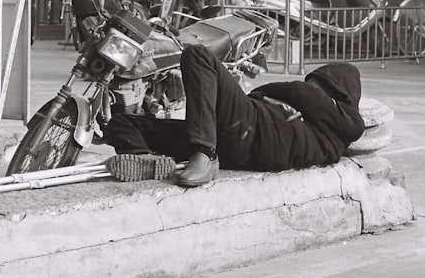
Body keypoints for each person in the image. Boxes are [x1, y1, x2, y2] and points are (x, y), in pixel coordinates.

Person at [104, 45, 366, 187]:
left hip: (248, 130)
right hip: (232, 142)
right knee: (122, 122)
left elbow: (298, 90)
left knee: (198, 56)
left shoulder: (340, 117)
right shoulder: (324, 124)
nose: (311, 87)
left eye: (317, 84)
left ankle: (204, 154)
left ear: (334, 90)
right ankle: (143, 158)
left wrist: (265, 96)